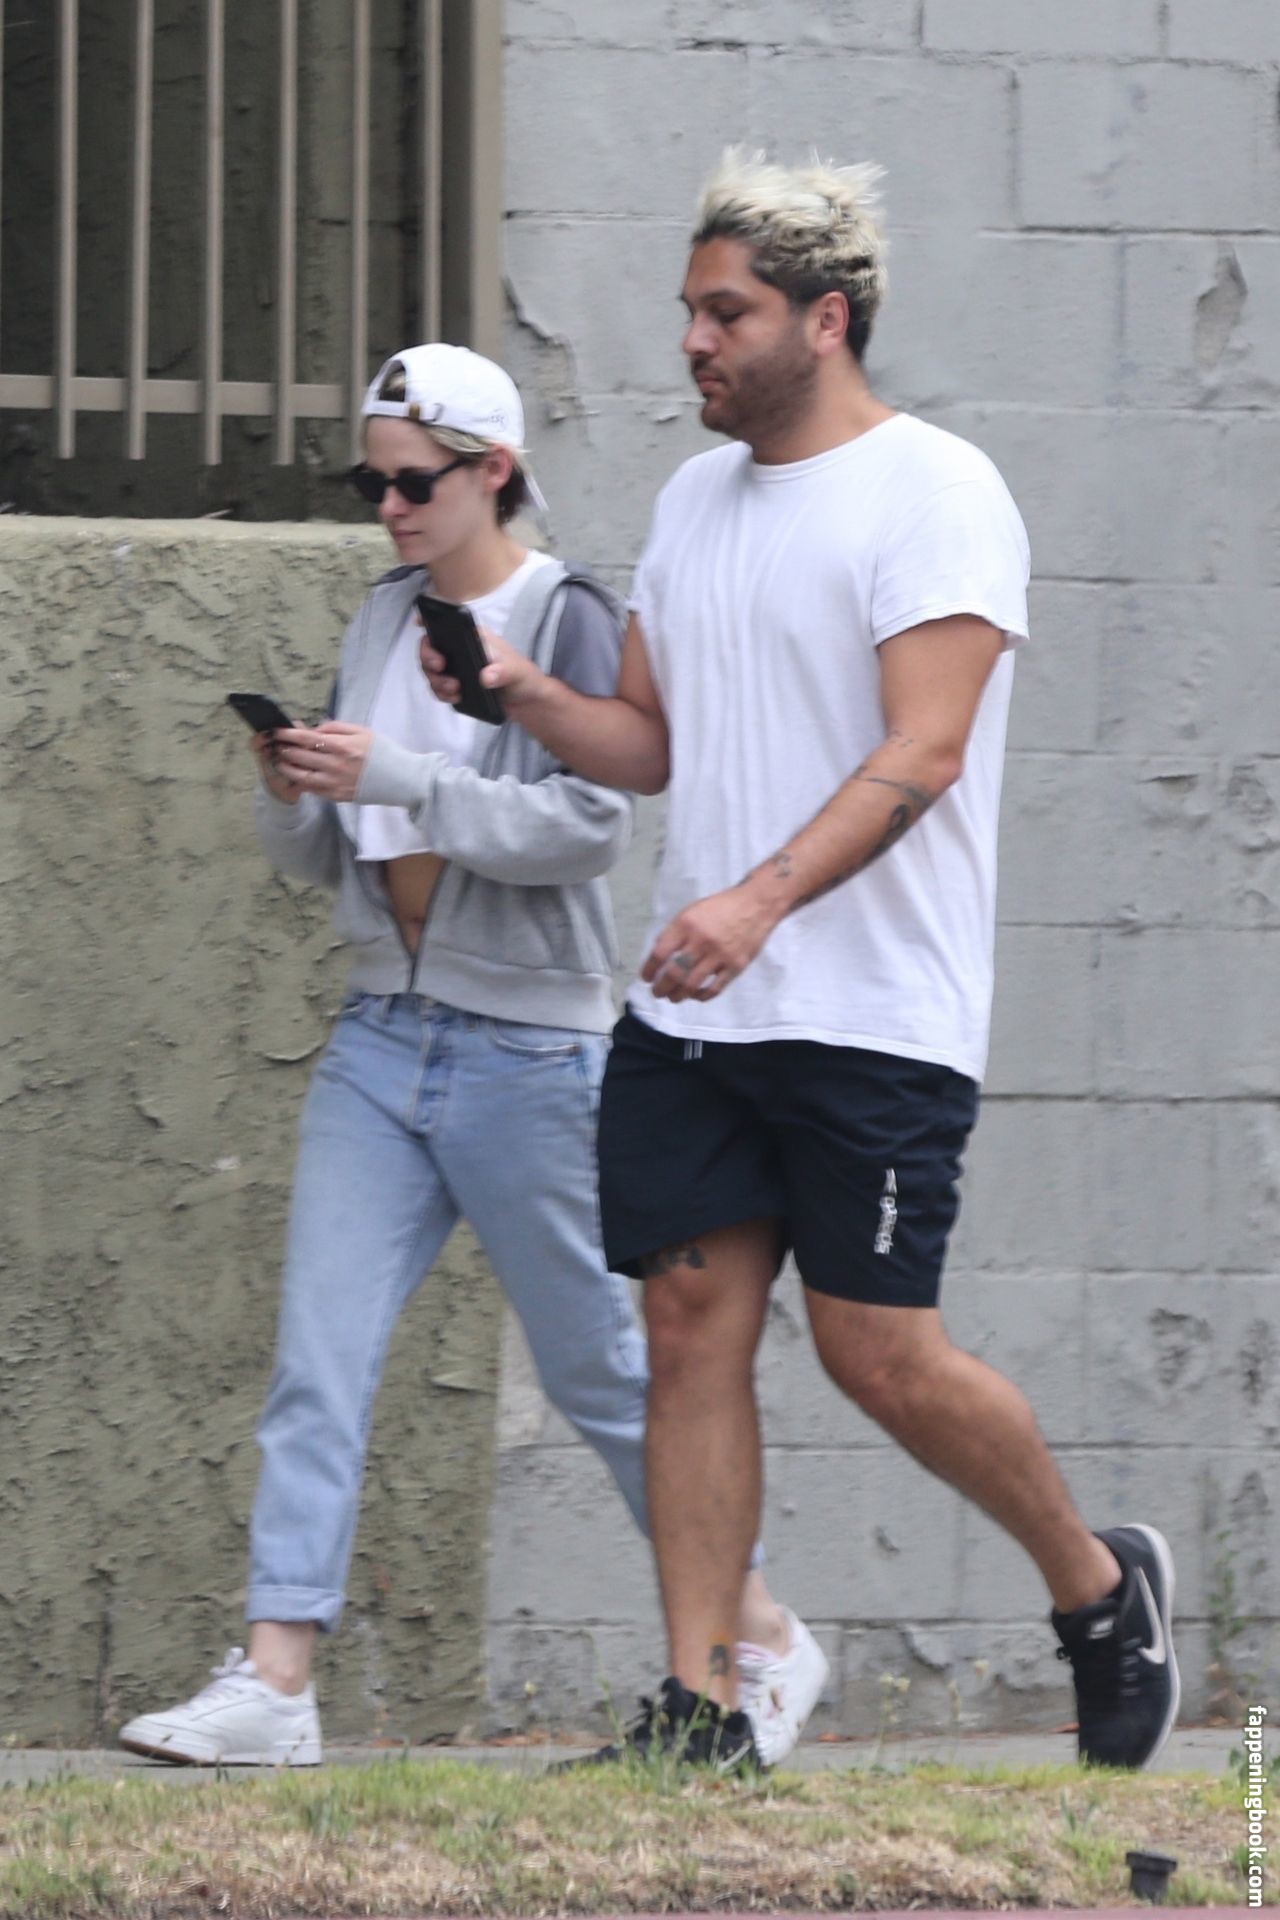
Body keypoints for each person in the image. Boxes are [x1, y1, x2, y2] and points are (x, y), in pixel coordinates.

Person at [424, 156, 1180, 1773]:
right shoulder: (695, 501)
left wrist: (758, 903)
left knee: (877, 1353)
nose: (693, 342)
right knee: (687, 1329)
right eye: (690, 311)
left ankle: (1097, 1585)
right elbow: (652, 743)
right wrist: (522, 696)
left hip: (873, 1011)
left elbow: (925, 751)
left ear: (825, 320)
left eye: (728, 314)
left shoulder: (939, 491)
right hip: (696, 1009)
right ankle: (707, 1704)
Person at [118, 344, 824, 1770]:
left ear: (492, 470)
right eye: (369, 483)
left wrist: (400, 776)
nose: (387, 507)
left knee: (607, 1379)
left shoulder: (565, 616)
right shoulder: (384, 613)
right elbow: (327, 854)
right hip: (381, 1034)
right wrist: (296, 790)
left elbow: (589, 828)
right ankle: (276, 1680)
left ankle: (762, 1633)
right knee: (316, 1365)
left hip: (528, 1054)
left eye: (413, 482)